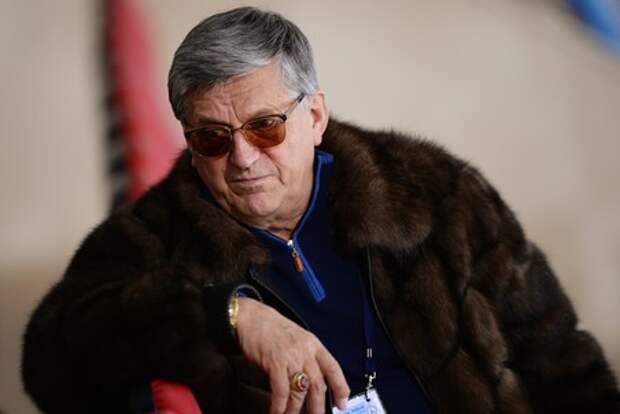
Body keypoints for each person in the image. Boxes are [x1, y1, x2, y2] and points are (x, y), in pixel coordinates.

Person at [22, 6, 619, 414]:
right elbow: (50, 363)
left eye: (265, 126)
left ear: (314, 116)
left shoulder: (433, 192)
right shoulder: (153, 239)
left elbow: (559, 357)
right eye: (212, 137)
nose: (242, 159)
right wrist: (227, 315)